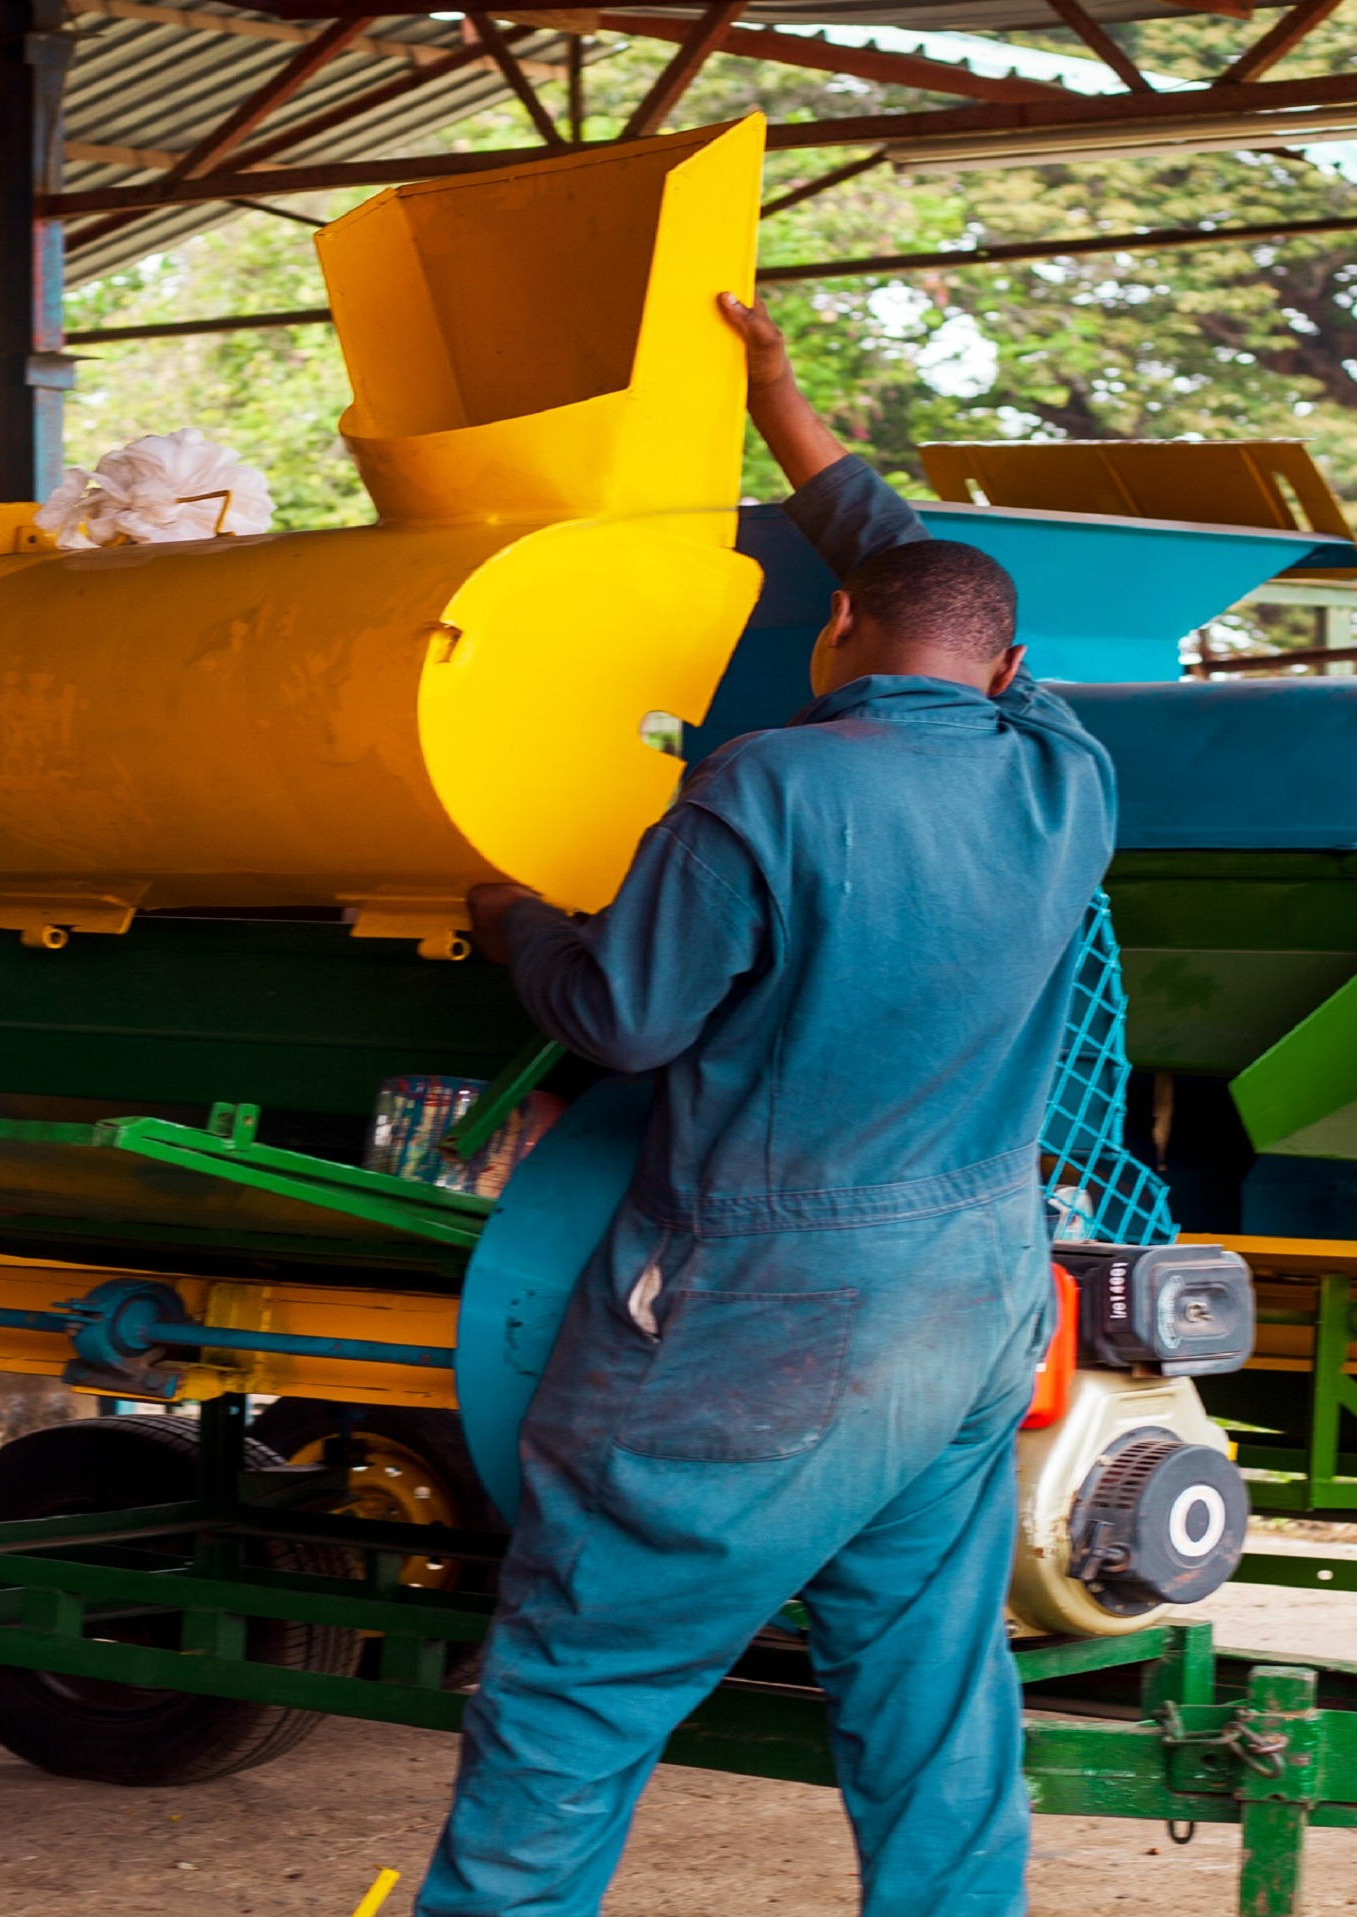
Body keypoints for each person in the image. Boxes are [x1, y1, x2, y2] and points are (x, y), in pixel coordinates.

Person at [418, 296, 1115, 1917]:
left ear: (831, 641)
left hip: (766, 1322)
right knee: (929, 1691)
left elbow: (619, 1015)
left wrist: (509, 917)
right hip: (970, 1307)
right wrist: (783, 408)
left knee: (576, 1683)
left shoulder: (763, 788)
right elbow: (923, 574)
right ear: (1006, 671)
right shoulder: (1062, 772)